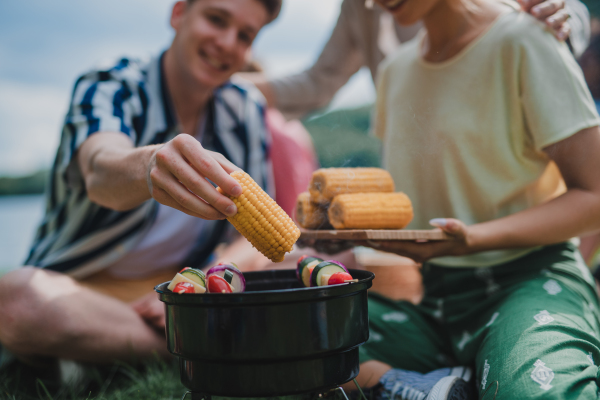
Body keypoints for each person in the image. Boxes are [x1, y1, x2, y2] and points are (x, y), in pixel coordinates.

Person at [329, 0, 600, 398]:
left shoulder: (525, 40)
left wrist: (472, 237)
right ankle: (434, 386)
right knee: (305, 343)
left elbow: (594, 194)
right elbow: (417, 203)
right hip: (436, 303)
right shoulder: (395, 72)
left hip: (530, 281)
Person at [0, 0, 282, 371]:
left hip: (180, 289)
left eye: (245, 35)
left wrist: (200, 285)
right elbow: (100, 168)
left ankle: (120, 350)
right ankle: (185, 346)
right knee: (18, 301)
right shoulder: (110, 85)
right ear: (179, 13)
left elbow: (251, 238)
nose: (228, 43)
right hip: (81, 290)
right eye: (216, 19)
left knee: (306, 258)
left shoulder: (246, 108)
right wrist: (148, 164)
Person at [246, 0, 590, 120]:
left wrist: (563, 18)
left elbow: (563, 15)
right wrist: (234, 88)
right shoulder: (358, 9)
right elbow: (319, 82)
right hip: (413, 162)